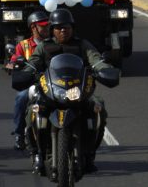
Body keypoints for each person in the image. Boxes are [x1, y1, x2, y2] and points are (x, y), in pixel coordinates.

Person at [24, 9, 114, 173]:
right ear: (52, 29)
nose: (63, 30)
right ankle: (36, 153)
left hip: (77, 90)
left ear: (72, 28)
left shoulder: (82, 45)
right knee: (33, 110)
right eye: (59, 27)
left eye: (66, 27)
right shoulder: (44, 46)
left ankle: (89, 154)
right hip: (49, 91)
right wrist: (27, 71)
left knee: (98, 107)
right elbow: (33, 62)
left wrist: (103, 69)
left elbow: (95, 59)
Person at [5, 10, 50, 150]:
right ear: (33, 28)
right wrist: (12, 65)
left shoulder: (53, 43)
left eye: (48, 26)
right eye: (43, 26)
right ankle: (19, 133)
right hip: (32, 83)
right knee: (21, 97)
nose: (47, 28)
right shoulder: (23, 45)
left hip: (52, 83)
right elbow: (13, 61)